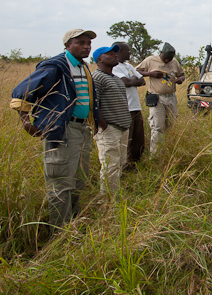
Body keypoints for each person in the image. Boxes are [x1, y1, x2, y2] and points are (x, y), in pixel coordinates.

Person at [10, 28, 99, 232]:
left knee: (78, 180)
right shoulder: (56, 67)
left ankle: (73, 224)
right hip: (62, 130)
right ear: (67, 45)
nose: (86, 46)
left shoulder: (83, 67)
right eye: (80, 43)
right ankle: (60, 233)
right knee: (60, 183)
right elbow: (22, 92)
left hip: (81, 129)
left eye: (88, 43)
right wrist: (26, 121)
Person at [92, 45, 132, 195]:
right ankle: (107, 200)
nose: (115, 55)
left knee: (120, 163)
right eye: (109, 54)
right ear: (99, 59)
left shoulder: (115, 78)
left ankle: (115, 194)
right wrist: (105, 127)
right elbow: (93, 105)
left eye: (115, 53)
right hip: (109, 129)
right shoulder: (97, 77)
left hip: (122, 127)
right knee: (110, 165)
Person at [136, 42, 185, 155]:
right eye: (165, 58)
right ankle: (156, 155)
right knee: (158, 127)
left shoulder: (175, 62)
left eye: (170, 58)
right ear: (161, 53)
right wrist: (150, 74)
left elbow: (181, 74)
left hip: (171, 97)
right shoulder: (150, 60)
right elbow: (136, 71)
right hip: (157, 97)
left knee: (171, 125)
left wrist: (181, 79)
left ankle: (167, 151)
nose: (167, 60)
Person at [112, 41, 146, 166]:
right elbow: (125, 82)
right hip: (126, 108)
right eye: (127, 50)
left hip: (136, 107)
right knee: (127, 138)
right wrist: (133, 80)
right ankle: (124, 164)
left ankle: (135, 163)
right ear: (119, 51)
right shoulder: (115, 67)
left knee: (138, 138)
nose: (130, 53)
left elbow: (142, 81)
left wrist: (132, 81)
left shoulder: (129, 66)